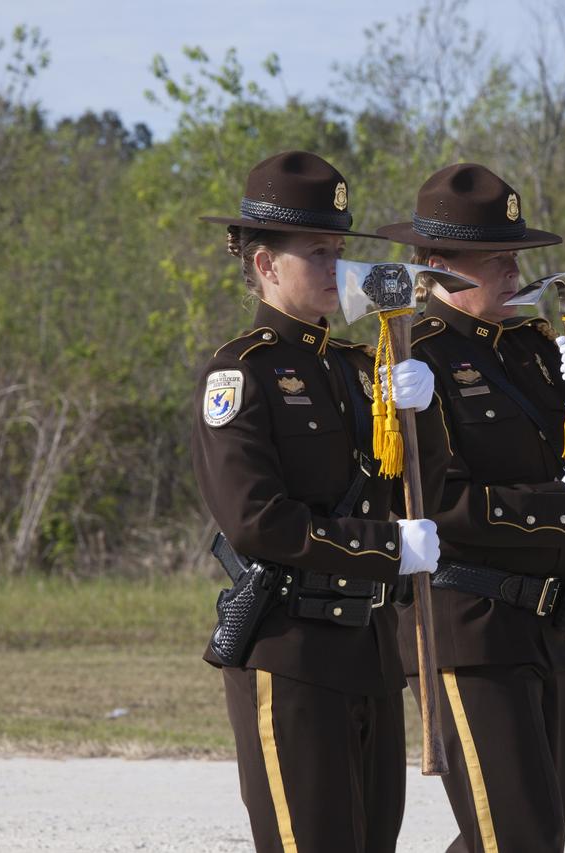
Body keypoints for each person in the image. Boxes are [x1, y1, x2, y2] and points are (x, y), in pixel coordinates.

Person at [377, 163, 565, 852]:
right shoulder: (413, 358)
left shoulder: (536, 349)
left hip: (546, 626)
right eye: (494, 258)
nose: (512, 271)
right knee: (517, 835)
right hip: (466, 628)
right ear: (439, 264)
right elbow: (436, 502)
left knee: (535, 828)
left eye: (515, 256)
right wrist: (557, 505)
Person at [192, 150, 449, 853]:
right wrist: (386, 547)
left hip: (368, 652)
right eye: (317, 251)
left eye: (339, 249)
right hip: (292, 650)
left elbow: (418, 484)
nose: (336, 265)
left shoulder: (358, 367)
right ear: (267, 264)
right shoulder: (240, 372)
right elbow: (257, 519)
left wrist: (422, 411)